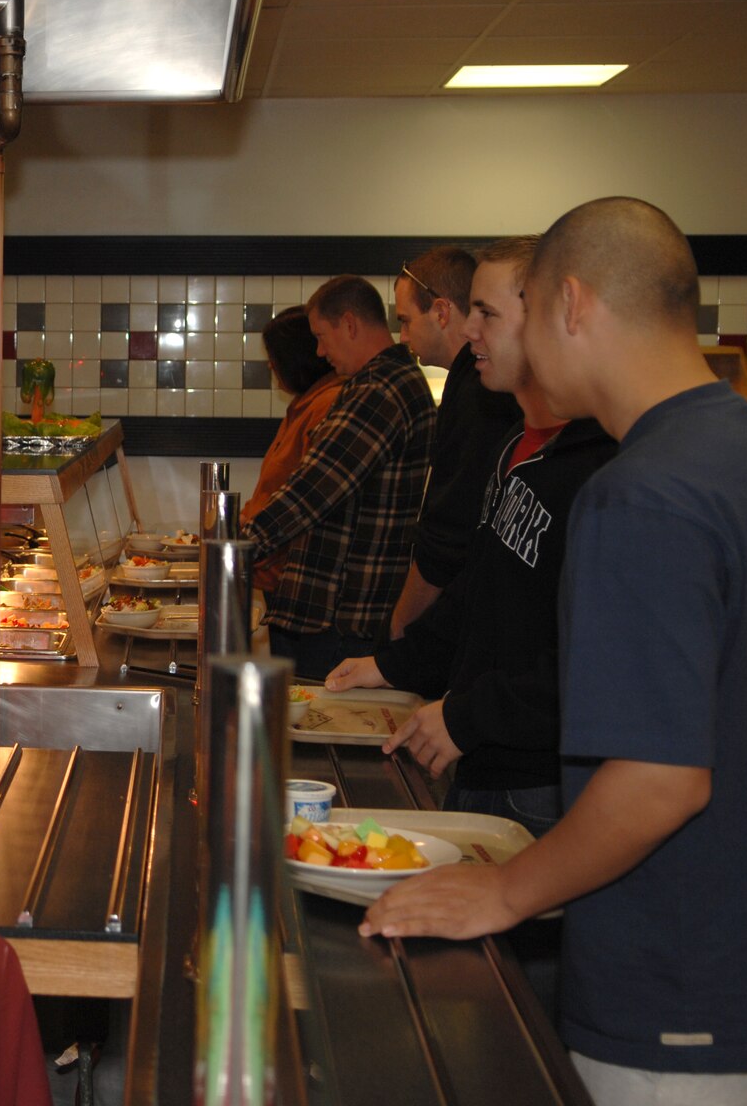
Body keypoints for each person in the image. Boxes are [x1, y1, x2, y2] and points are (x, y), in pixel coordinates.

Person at [362, 198, 747, 1106]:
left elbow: (661, 779)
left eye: (522, 313)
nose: (501, 344)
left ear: (573, 306)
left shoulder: (643, 495)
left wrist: (504, 893)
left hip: (679, 989)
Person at [326, 237, 615, 838]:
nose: (469, 331)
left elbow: (589, 663)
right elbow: (478, 588)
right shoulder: (513, 443)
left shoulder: (603, 466)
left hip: (540, 779)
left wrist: (465, 715)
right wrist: (393, 661)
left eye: (487, 313)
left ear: (551, 320)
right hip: (484, 759)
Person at [243, 276, 435, 678]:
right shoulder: (381, 382)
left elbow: (312, 490)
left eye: (321, 336)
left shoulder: (379, 389)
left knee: (312, 734)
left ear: (349, 324)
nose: (319, 351)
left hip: (341, 619)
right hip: (344, 615)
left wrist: (231, 551)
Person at [389, 245, 523, 636]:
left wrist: (400, 628)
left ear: (442, 312)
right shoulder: (468, 381)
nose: (402, 335)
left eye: (405, 320)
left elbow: (449, 531)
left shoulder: (480, 392)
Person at [238, 306, 341, 593]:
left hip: (284, 577)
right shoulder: (305, 404)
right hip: (267, 570)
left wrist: (248, 534)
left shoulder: (325, 405)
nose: (271, 366)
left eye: (274, 357)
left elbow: (304, 498)